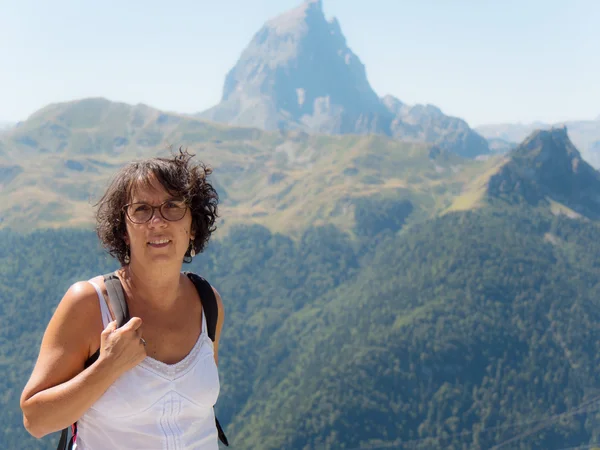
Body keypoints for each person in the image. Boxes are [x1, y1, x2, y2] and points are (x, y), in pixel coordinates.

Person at [19, 149, 224, 449]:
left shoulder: (208, 302)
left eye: (172, 206)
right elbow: (35, 420)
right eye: (141, 210)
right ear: (124, 230)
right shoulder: (89, 303)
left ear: (192, 227)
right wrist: (109, 366)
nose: (157, 221)